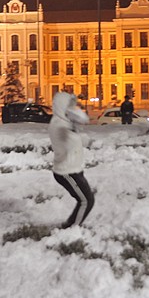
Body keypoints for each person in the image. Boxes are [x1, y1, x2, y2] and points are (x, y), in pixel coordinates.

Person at [49, 91, 94, 228]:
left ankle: (71, 225)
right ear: (62, 106)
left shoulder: (64, 121)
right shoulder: (58, 125)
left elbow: (77, 139)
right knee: (86, 201)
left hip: (75, 169)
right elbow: (65, 137)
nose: (71, 109)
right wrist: (74, 124)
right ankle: (72, 229)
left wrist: (75, 126)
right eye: (68, 106)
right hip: (66, 172)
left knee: (85, 199)